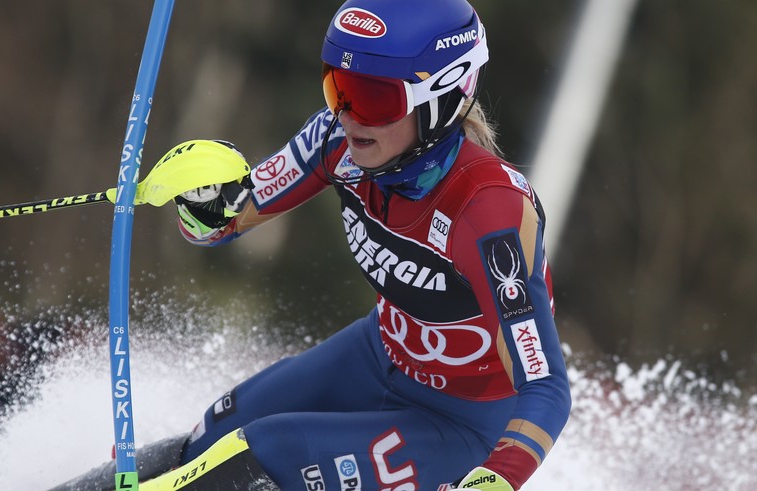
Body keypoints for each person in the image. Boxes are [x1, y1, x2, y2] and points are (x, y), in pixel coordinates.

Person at [59, 0, 571, 489]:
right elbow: (223, 221)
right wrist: (197, 193)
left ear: (442, 98)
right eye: (339, 89)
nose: (349, 116)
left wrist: (493, 481)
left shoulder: (487, 212)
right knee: (211, 441)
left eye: (374, 98)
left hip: (459, 423)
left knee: (264, 454)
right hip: (377, 355)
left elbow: (546, 389)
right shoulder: (338, 143)